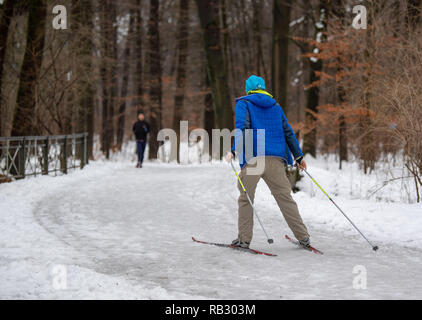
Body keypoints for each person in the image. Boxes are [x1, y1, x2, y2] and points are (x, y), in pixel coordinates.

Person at [226, 75, 310, 249]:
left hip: (253, 159)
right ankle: (304, 238)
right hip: (276, 159)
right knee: (285, 198)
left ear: (248, 89)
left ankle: (244, 239)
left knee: (246, 198)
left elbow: (242, 127)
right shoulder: (276, 106)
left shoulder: (244, 103)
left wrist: (234, 150)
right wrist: (299, 156)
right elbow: (288, 132)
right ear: (263, 88)